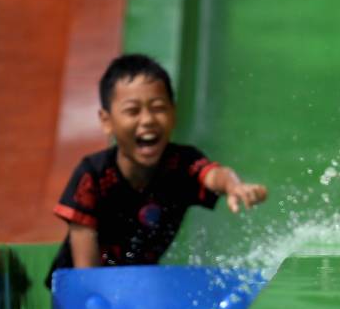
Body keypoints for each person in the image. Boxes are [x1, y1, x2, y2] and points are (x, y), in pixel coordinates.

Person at [47, 54, 267, 284]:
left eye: (158, 108)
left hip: (139, 288)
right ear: (106, 121)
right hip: (73, 294)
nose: (148, 120)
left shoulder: (181, 164)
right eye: (133, 111)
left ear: (174, 113)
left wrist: (234, 186)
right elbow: (86, 277)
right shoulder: (92, 176)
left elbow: (213, 175)